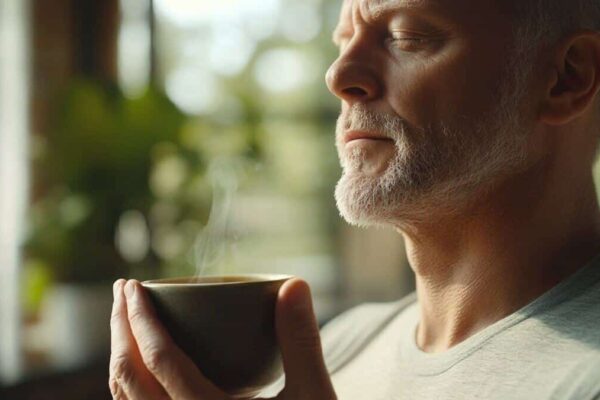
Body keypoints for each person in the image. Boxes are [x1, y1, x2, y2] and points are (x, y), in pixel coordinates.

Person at [109, 0, 600, 398]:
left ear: (566, 78)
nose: (339, 76)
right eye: (344, 40)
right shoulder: (335, 349)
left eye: (406, 37)